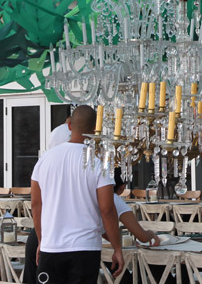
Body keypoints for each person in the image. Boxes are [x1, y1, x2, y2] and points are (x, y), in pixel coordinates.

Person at [31, 105, 123, 284]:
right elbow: (107, 209)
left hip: (52, 247)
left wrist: (42, 240)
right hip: (85, 248)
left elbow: (36, 204)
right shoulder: (97, 164)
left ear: (70, 126)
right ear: (96, 130)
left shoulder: (44, 161)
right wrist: (117, 247)